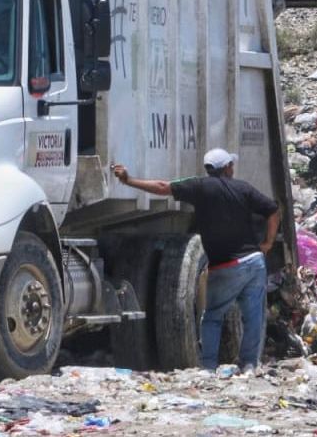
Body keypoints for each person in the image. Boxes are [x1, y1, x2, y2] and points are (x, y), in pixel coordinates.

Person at [111, 149, 282, 371]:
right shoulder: (244, 188)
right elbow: (273, 211)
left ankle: (209, 367)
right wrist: (268, 243)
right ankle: (249, 363)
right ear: (228, 167)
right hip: (252, 262)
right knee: (253, 317)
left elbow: (162, 187)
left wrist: (128, 180)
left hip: (225, 266)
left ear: (208, 169)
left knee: (212, 317)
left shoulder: (198, 186)